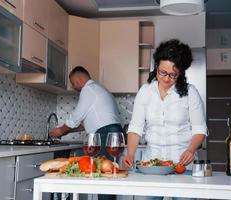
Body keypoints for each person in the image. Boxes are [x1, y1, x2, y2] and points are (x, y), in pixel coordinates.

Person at [122, 39, 207, 200]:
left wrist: (191, 149)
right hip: (151, 166)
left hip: (182, 165)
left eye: (172, 75)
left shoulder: (190, 93)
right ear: (156, 67)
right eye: (162, 72)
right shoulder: (145, 92)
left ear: (180, 73)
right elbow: (135, 127)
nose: (166, 78)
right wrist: (131, 154)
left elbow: (199, 129)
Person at [50, 66, 122, 200]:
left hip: (105, 134)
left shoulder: (88, 89)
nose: (73, 87)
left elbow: (75, 118)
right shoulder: (100, 90)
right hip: (113, 133)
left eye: (73, 83)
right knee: (108, 175)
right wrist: (66, 132)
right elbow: (84, 124)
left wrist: (59, 130)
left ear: (80, 79)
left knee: (103, 178)